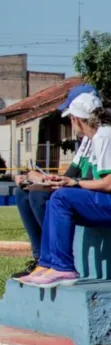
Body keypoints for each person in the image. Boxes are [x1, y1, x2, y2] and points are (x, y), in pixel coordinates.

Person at [20, 92, 109, 287]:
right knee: (55, 197)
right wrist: (63, 181)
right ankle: (46, 263)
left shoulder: (105, 136)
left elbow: (108, 183)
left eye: (70, 118)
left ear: (76, 118)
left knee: (60, 197)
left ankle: (63, 267)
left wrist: (74, 183)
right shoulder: (95, 138)